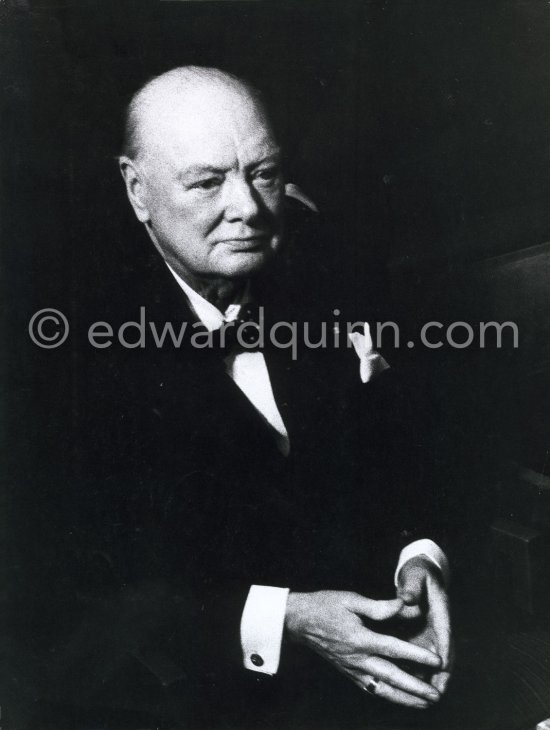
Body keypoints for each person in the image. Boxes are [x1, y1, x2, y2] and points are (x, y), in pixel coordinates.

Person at [10, 66, 454, 729]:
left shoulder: (332, 261)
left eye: (265, 174)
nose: (249, 207)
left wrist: (419, 556)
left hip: (379, 682)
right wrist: (284, 622)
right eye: (208, 181)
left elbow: (399, 449)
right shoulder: (52, 349)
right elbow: (49, 622)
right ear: (137, 189)